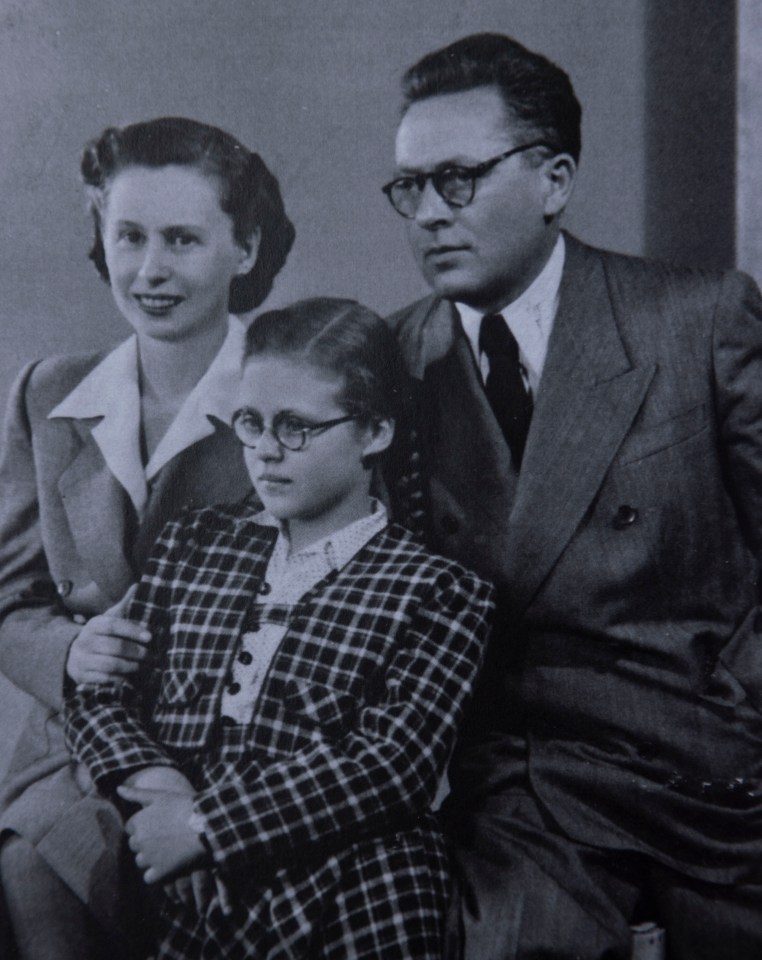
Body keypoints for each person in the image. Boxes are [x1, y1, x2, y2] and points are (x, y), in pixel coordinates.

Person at [383, 31, 762, 960]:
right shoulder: (392, 360)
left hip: (716, 756)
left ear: (554, 181)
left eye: (458, 179)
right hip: (527, 783)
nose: (430, 213)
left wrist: (743, 701)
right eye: (411, 187)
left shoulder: (697, 316)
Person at [64, 297, 494, 959]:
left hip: (352, 883)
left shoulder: (438, 592)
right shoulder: (193, 546)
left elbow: (390, 766)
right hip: (185, 870)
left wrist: (210, 826)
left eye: (295, 428)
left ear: (374, 432)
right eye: (250, 423)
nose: (264, 453)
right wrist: (163, 793)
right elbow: (99, 692)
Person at [0, 115, 295, 958]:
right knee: (38, 881)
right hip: (73, 759)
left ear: (244, 250)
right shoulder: (48, 393)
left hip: (242, 759)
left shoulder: (298, 393)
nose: (150, 270)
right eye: (128, 237)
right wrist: (68, 653)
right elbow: (10, 600)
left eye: (182, 240)